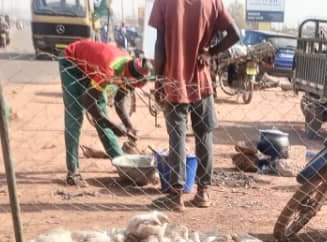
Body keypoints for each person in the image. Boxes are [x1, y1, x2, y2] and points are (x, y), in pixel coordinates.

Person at [149, 0, 240, 211]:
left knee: (177, 137)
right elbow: (235, 34)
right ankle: (203, 193)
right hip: (201, 80)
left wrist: (158, 78)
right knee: (204, 134)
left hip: (174, 80)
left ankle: (175, 196)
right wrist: (210, 52)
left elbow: (159, 44)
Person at [59, 39, 151, 186]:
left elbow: (119, 100)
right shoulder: (108, 71)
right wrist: (113, 126)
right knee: (75, 114)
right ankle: (73, 170)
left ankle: (123, 166)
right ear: (128, 77)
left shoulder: (129, 68)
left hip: (91, 67)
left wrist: (129, 126)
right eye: (132, 84)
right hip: (72, 62)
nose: (131, 88)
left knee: (102, 115)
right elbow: (88, 102)